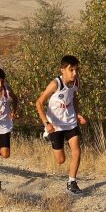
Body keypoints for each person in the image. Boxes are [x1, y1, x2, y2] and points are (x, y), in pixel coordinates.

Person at [35, 55, 87, 195]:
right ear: (62, 70)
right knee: (60, 160)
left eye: (76, 70)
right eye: (71, 70)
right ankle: (47, 135)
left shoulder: (76, 82)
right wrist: (46, 123)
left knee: (77, 151)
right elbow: (39, 103)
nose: (74, 73)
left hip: (70, 122)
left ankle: (72, 182)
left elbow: (74, 98)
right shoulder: (55, 84)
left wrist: (77, 114)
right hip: (55, 125)